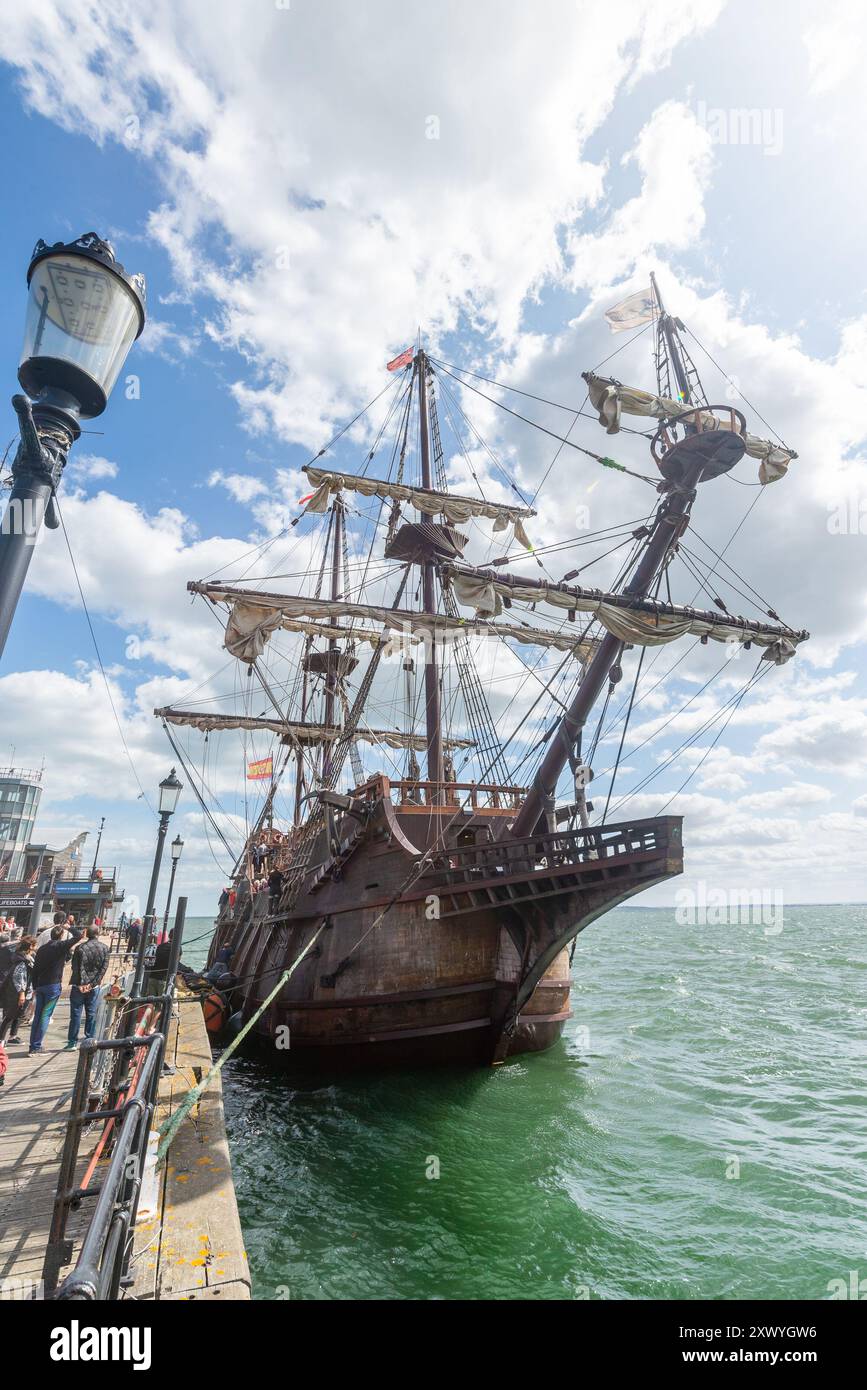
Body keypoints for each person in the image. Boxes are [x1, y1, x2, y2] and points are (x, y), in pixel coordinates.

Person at [30, 921, 83, 1053]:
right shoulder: (61, 946)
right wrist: (69, 927)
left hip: (41, 985)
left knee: (38, 1015)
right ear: (61, 936)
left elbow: (35, 970)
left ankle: (33, 1045)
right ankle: (36, 1046)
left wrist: (35, 986)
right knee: (45, 1015)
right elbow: (78, 936)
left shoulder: (42, 949)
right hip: (53, 986)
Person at [65, 926, 110, 1049]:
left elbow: (76, 967)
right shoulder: (105, 948)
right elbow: (103, 969)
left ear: (87, 934)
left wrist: (82, 983)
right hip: (93, 987)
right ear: (98, 933)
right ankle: (89, 1039)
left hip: (79, 985)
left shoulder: (80, 948)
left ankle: (72, 1042)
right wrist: (92, 984)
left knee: (75, 1014)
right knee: (91, 1013)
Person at [0, 937, 36, 1044]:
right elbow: (19, 976)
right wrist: (21, 993)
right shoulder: (22, 959)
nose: (35, 947)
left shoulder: (25, 957)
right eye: (34, 945)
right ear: (30, 946)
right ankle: (1, 1039)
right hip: (20, 992)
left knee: (19, 1014)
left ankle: (12, 1036)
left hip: (26, 990)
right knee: (10, 1016)